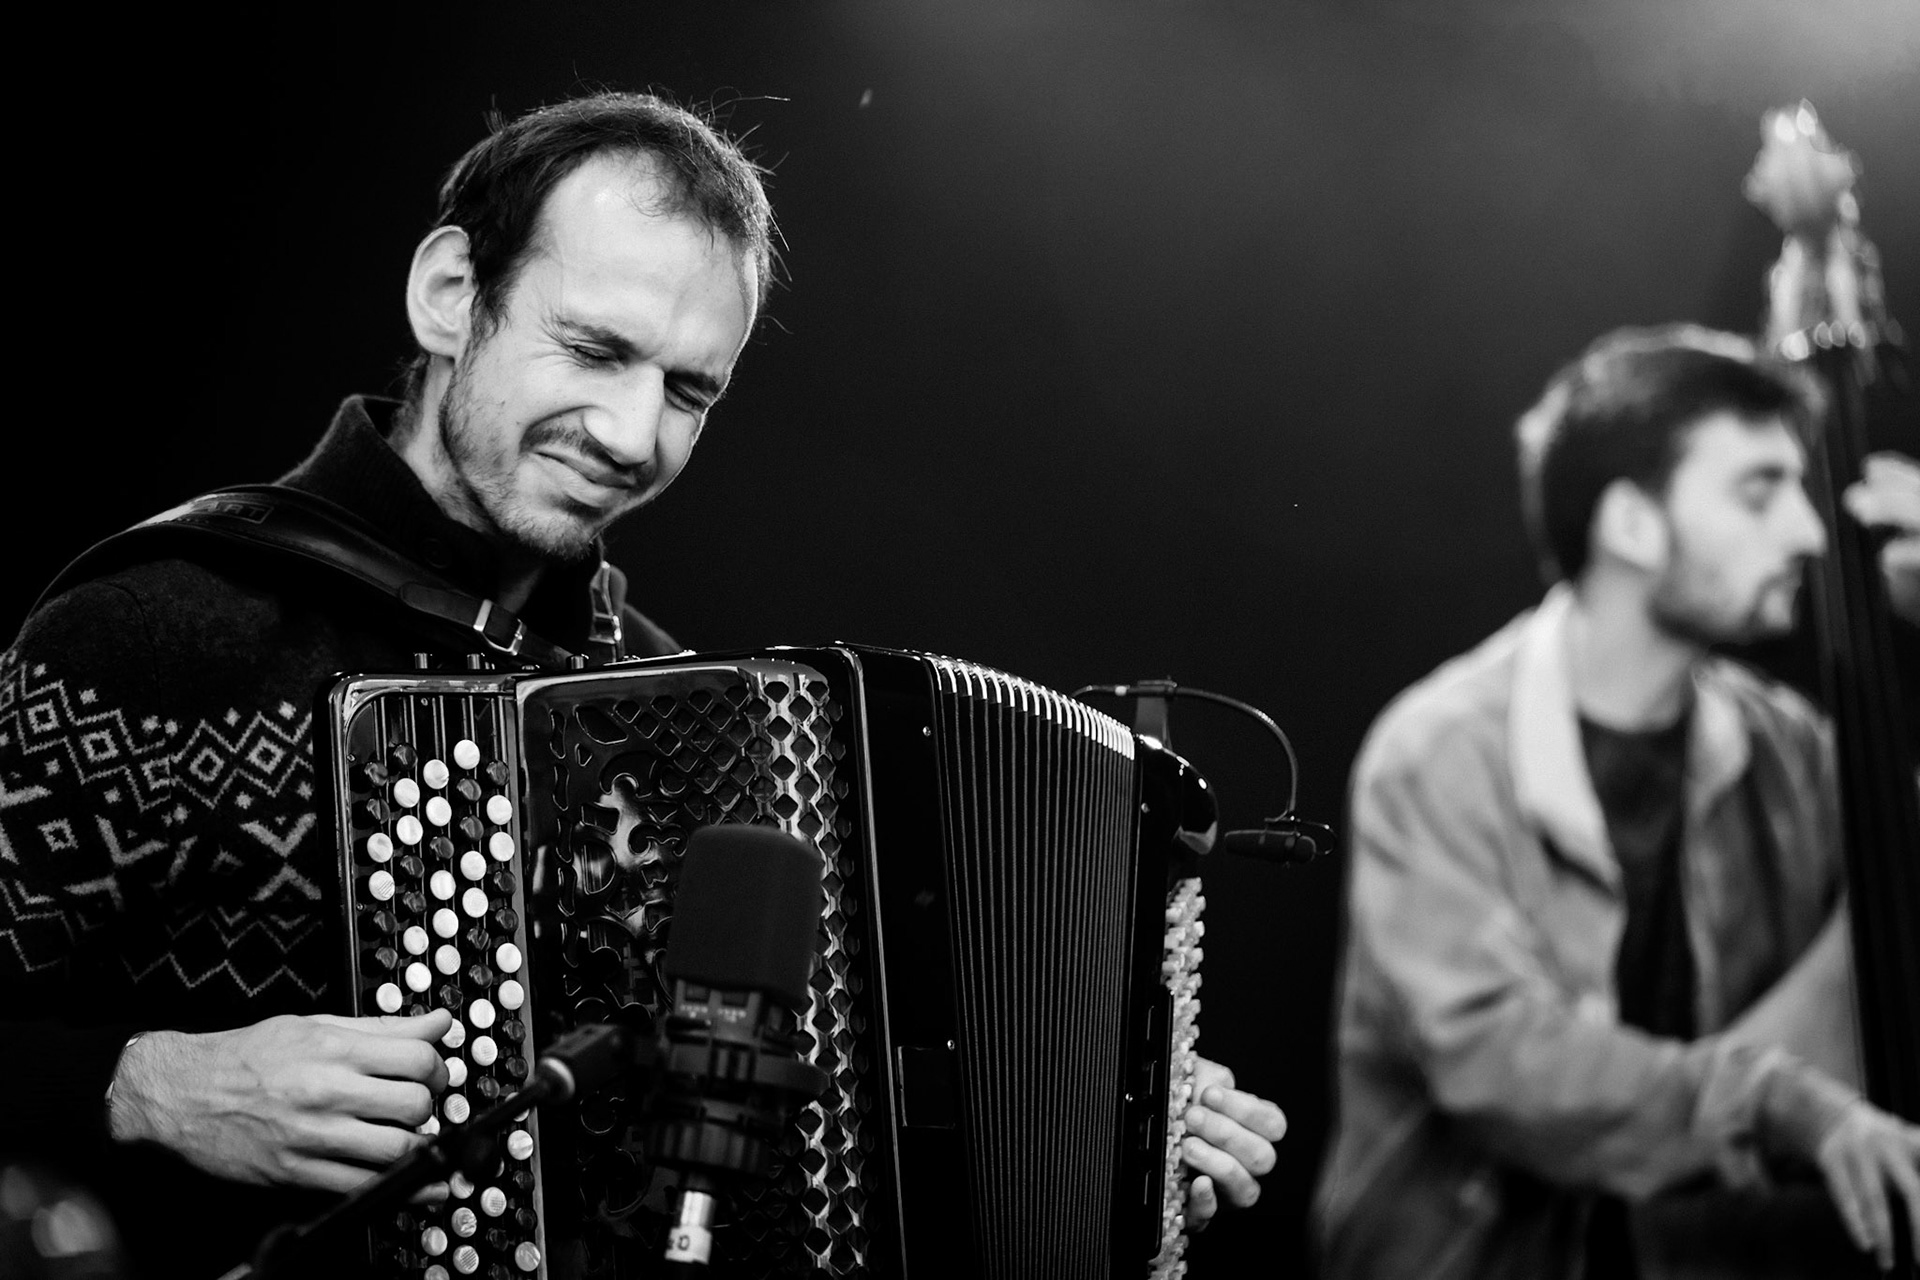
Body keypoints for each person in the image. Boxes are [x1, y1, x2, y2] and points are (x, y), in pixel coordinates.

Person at [0, 91, 1282, 1274]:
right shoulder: (164, 627)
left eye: (686, 390)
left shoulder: (675, 700)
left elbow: (787, 1114)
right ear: (452, 293)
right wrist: (133, 1082)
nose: (632, 435)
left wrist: (1117, 1106)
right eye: (592, 348)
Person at [1314, 324, 1920, 1279]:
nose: (1810, 530)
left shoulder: (1791, 750)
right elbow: (1500, 1064)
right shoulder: (1437, 752)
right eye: (1760, 491)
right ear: (1632, 524)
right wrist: (1769, 1102)